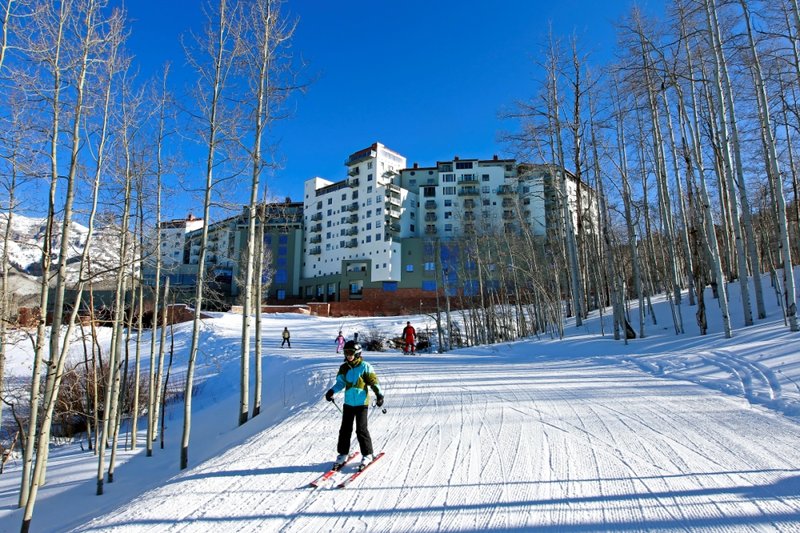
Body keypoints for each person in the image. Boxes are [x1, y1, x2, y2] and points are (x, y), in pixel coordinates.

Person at [325, 340, 384, 471]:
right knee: (345, 429)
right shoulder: (344, 367)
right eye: (346, 352)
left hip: (362, 403)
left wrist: (379, 395)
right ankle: (342, 454)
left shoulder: (365, 366)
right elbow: (340, 383)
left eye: (351, 352)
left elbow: (374, 382)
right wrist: (331, 391)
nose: (348, 355)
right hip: (348, 403)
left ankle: (367, 454)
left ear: (357, 353)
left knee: (361, 430)